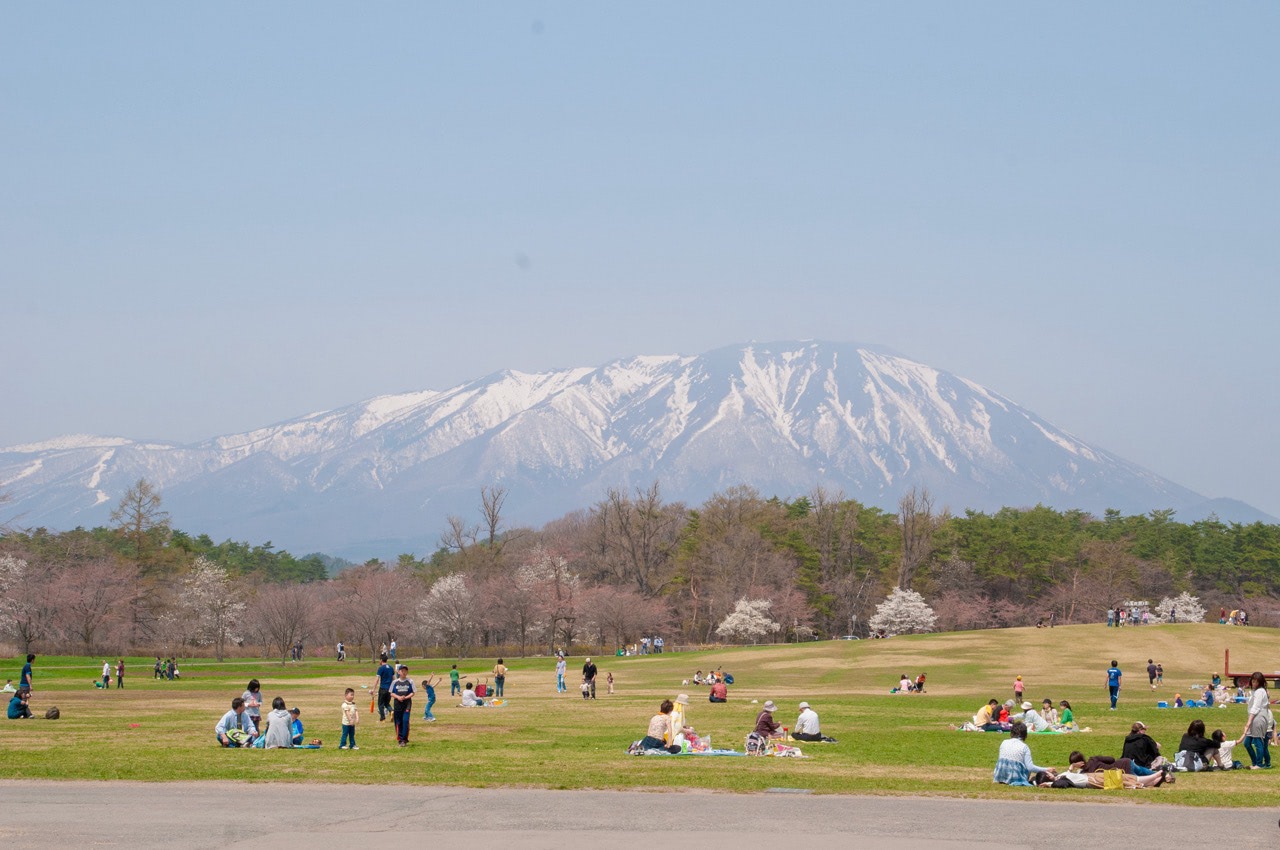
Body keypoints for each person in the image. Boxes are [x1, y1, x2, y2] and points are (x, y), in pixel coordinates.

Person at [1239, 670, 1272, 769]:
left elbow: (1256, 707)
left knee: (1258, 742)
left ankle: (1259, 764)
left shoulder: (1260, 691)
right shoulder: (1255, 691)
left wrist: (1248, 722)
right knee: (1247, 743)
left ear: (1260, 683)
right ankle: (1255, 762)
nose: (1254, 683)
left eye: (1257, 682)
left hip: (1258, 717)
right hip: (1253, 717)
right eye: (1253, 681)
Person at [389, 664, 414, 746]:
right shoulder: (395, 682)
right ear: (398, 672)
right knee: (398, 722)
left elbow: (413, 692)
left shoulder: (410, 681)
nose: (404, 672)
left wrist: (405, 697)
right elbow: (391, 693)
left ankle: (404, 739)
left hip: (407, 704)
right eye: (402, 670)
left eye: (405, 671)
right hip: (397, 704)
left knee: (405, 720)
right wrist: (398, 697)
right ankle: (400, 739)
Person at [374, 655, 395, 722]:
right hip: (390, 689)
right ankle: (391, 710)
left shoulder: (381, 668)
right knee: (386, 703)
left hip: (383, 688)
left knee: (380, 704)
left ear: (381, 660)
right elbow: (394, 679)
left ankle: (382, 718)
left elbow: (377, 679)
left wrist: (374, 689)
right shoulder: (391, 668)